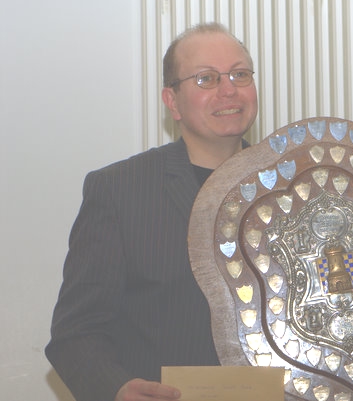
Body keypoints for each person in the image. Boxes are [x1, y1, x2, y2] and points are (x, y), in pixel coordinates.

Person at [46, 22, 258, 401]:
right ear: (171, 101)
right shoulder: (119, 191)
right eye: (206, 79)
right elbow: (75, 335)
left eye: (240, 74)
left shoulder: (297, 185)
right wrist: (116, 388)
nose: (229, 90)